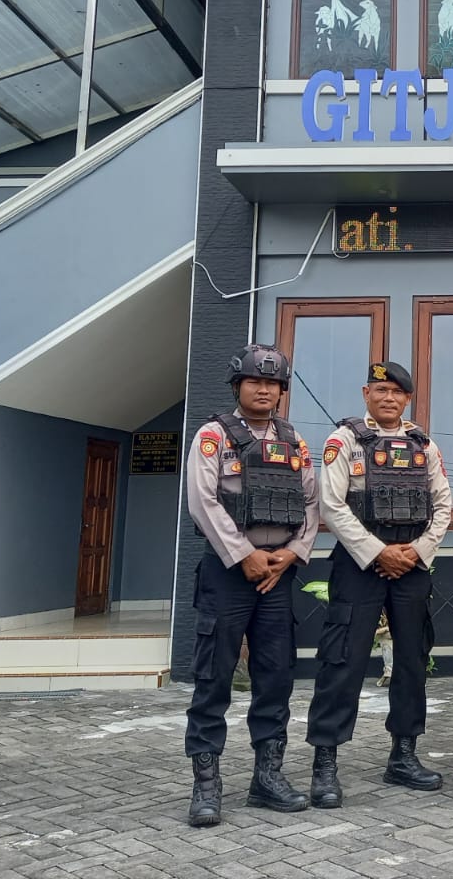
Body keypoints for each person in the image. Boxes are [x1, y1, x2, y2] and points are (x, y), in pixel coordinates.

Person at [305, 361, 453, 808]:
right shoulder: (344, 440)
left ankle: (403, 755)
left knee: (412, 660)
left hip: (411, 563)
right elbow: (331, 505)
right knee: (342, 661)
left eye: (397, 392)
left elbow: (443, 505)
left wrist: (416, 552)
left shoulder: (424, 445)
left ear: (407, 398)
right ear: (365, 394)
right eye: (380, 390)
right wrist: (376, 552)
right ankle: (325, 763)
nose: (389, 398)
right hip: (358, 564)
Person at [183, 344, 319, 826]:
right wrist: (244, 554)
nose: (264, 390)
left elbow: (311, 504)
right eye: (255, 382)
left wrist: (292, 553)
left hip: (277, 574)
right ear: (237, 385)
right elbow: (202, 501)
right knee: (214, 677)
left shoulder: (294, 441)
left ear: (282, 391)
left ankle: (268, 777)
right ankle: (206, 785)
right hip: (228, 574)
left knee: (276, 676)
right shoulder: (213, 436)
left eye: (273, 384)